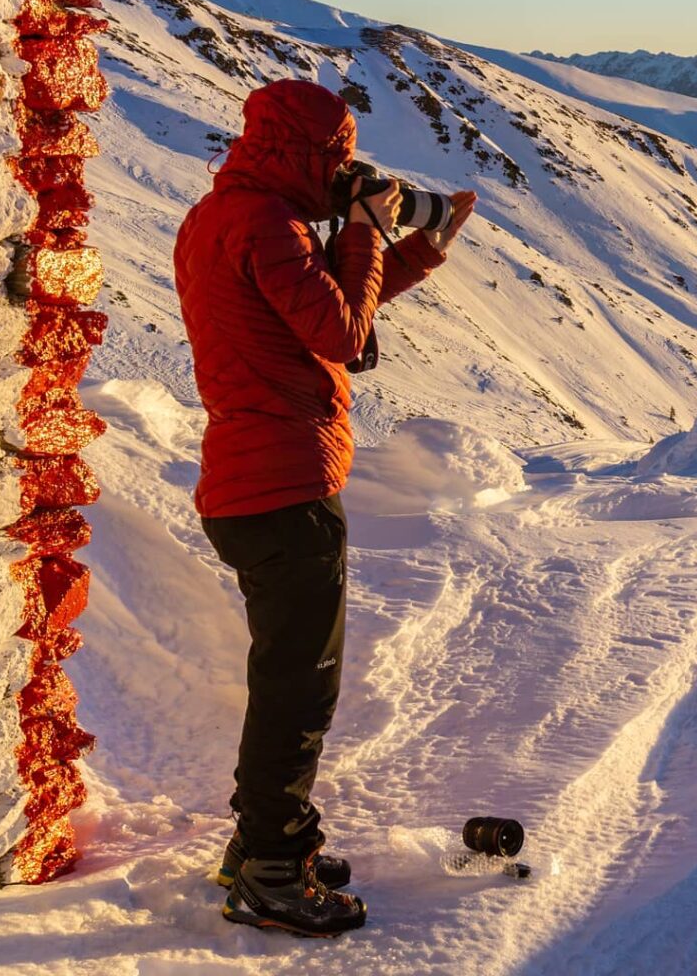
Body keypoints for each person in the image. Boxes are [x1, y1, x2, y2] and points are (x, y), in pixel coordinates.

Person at [173, 78, 477, 937]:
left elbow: (318, 314)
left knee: (287, 682)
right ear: (307, 154)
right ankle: (272, 871)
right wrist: (368, 229)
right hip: (283, 483)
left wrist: (414, 251)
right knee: (299, 692)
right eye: (338, 161)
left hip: (254, 479)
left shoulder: (224, 217)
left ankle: (261, 845)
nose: (346, 175)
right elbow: (340, 338)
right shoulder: (268, 222)